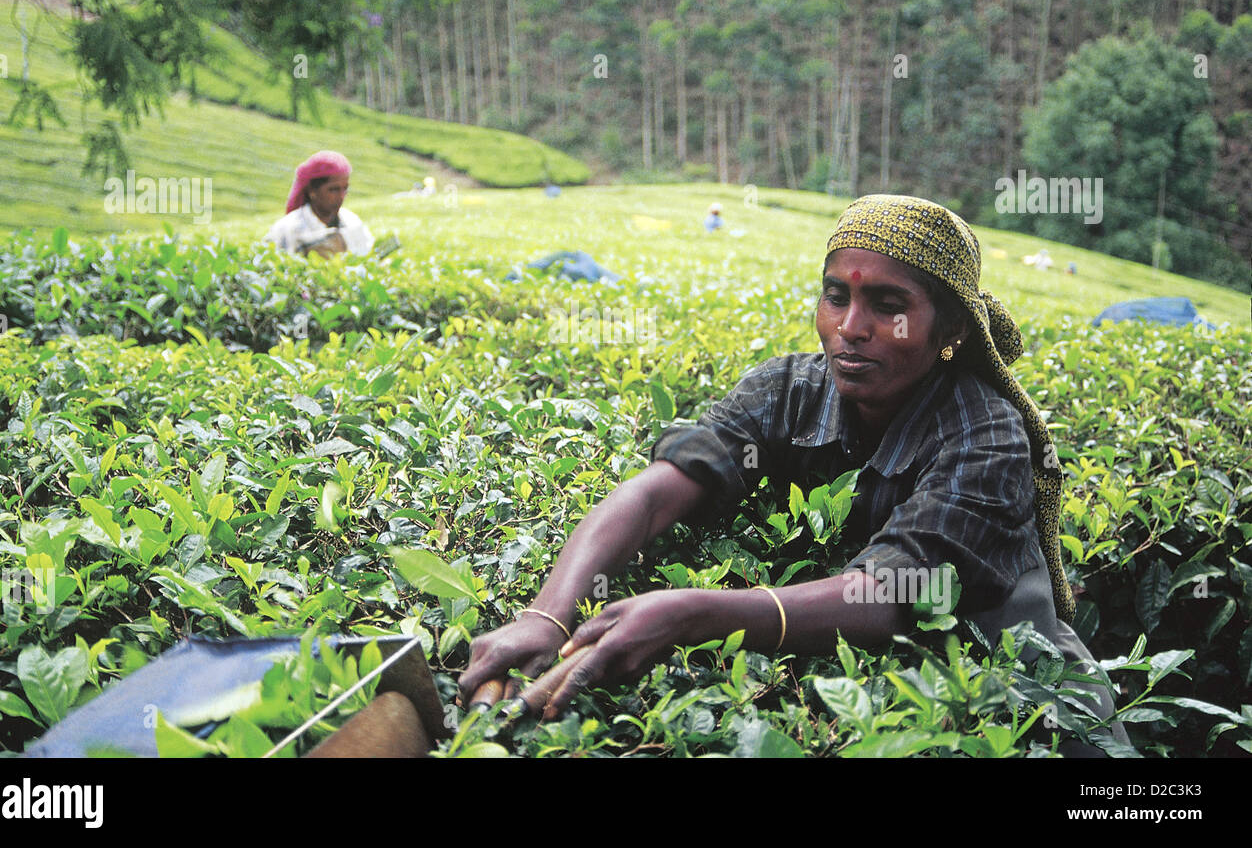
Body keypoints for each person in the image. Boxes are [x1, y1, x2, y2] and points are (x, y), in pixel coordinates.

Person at [458, 194, 1128, 753]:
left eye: (888, 305)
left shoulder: (984, 432)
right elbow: (657, 495)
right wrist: (547, 617)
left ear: (948, 326)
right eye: (835, 297)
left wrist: (693, 613)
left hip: (1033, 702)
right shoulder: (786, 391)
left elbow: (891, 594)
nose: (850, 327)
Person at [265, 151, 374, 257]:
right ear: (312, 191)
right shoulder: (287, 229)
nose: (341, 196)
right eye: (334, 189)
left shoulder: (352, 222)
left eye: (345, 189)